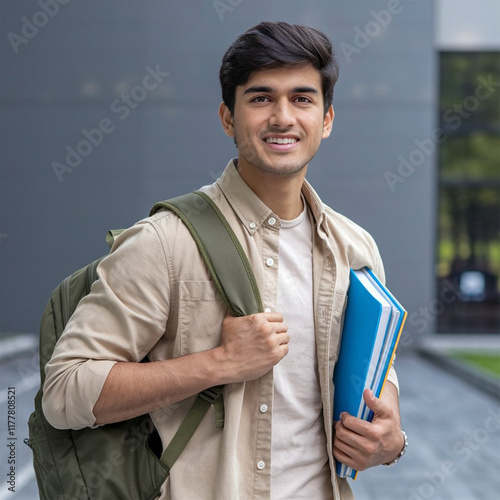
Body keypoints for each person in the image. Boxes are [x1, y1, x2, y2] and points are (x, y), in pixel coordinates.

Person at [43, 21, 406, 500]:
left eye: (301, 98)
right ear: (227, 118)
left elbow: (381, 370)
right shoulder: (164, 243)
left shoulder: (355, 247)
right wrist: (219, 363)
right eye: (260, 98)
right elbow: (65, 392)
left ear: (327, 118)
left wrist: (390, 441)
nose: (282, 117)